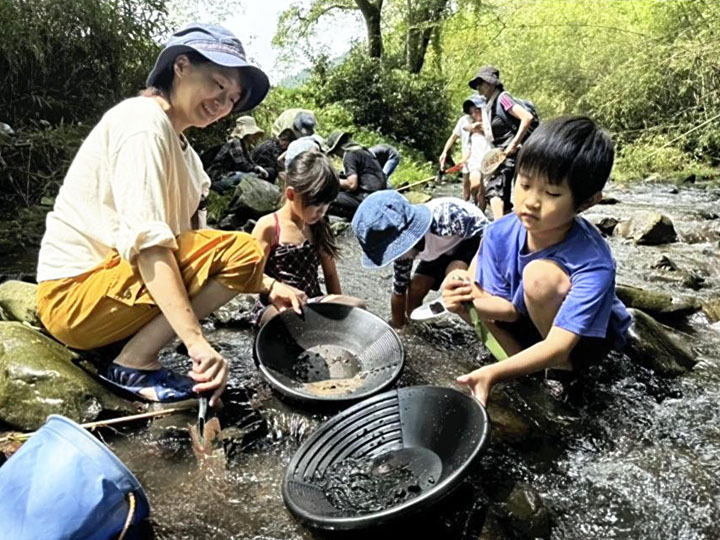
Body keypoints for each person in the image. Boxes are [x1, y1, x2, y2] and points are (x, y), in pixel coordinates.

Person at [35, 23, 305, 406]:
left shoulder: (188, 157)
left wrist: (269, 286)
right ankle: (134, 361)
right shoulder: (142, 122)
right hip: (74, 299)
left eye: (233, 97)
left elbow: (196, 253)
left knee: (239, 256)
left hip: (113, 291)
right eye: (217, 84)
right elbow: (151, 245)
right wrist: (195, 341)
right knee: (244, 249)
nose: (223, 103)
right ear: (181, 66)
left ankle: (135, 350)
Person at [442, 116, 631, 405]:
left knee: (539, 277)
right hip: (528, 318)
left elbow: (558, 345)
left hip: (580, 341)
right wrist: (462, 299)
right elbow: (507, 311)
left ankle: (563, 375)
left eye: (551, 193)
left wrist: (491, 374)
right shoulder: (498, 233)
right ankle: (523, 370)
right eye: (525, 184)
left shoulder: (593, 261)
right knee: (467, 300)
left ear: (587, 202)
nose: (531, 201)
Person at [251, 150, 365, 326]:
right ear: (291, 195)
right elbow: (251, 276)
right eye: (316, 204)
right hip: (275, 303)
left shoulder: (318, 225)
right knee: (284, 320)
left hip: (310, 301)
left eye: (327, 204)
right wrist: (275, 288)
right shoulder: (269, 226)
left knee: (357, 307)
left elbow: (330, 274)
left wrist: (340, 316)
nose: (322, 211)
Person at [352, 191, 487, 328]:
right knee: (416, 288)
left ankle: (485, 329)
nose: (398, 258)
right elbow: (399, 291)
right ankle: (419, 329)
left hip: (472, 240)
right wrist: (399, 329)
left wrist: (471, 275)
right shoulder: (403, 255)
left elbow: (490, 234)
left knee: (455, 280)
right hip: (439, 251)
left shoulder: (444, 218)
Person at [468, 66, 535, 219]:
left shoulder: (503, 98)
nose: (478, 87)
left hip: (512, 150)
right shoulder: (490, 105)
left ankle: (499, 228)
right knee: (502, 193)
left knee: (495, 189)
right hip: (503, 152)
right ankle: (509, 226)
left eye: (480, 83)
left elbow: (526, 117)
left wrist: (514, 143)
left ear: (491, 84)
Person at [326, 131, 386, 219]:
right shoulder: (365, 151)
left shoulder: (349, 155)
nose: (337, 155)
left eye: (335, 152)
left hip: (367, 198)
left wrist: (330, 180)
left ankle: (351, 220)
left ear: (339, 148)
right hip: (380, 195)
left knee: (327, 198)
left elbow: (352, 184)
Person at [205, 115, 269, 193]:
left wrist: (258, 168)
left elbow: (249, 162)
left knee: (254, 176)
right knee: (250, 176)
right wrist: (256, 169)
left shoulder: (244, 146)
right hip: (217, 179)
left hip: (227, 176)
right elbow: (242, 164)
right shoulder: (235, 142)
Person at [458, 95, 492, 210]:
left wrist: (483, 128)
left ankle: (480, 215)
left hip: (489, 160)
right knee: (475, 184)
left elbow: (492, 134)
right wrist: (464, 160)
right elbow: (465, 128)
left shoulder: (492, 122)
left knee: (484, 193)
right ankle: (473, 199)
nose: (474, 114)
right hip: (475, 161)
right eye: (472, 113)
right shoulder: (471, 126)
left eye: (477, 111)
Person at [439, 98, 474, 201]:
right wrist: (444, 152)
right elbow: (453, 137)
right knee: (466, 186)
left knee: (476, 186)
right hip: (465, 160)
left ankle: (478, 206)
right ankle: (466, 204)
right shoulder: (463, 120)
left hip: (477, 157)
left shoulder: (483, 118)